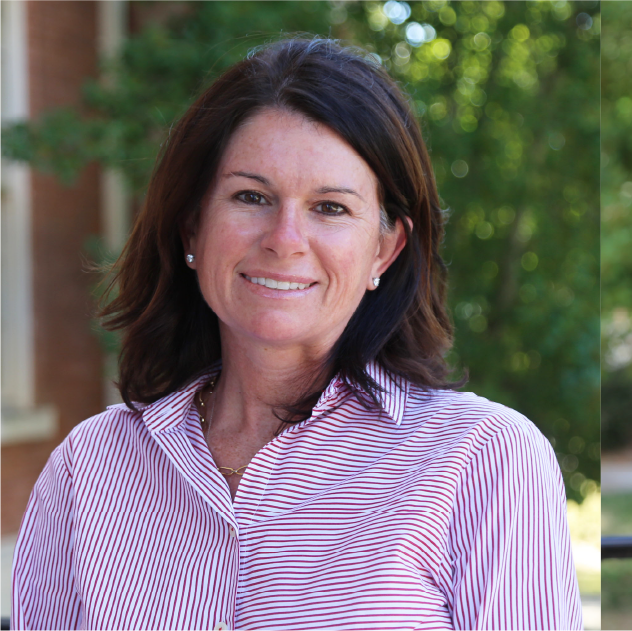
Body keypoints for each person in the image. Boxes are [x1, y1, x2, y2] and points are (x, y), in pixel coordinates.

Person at [13, 38, 581, 629]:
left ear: (384, 250)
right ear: (191, 229)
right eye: (251, 197)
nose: (284, 238)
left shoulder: (481, 460)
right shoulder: (90, 467)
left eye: (330, 207)